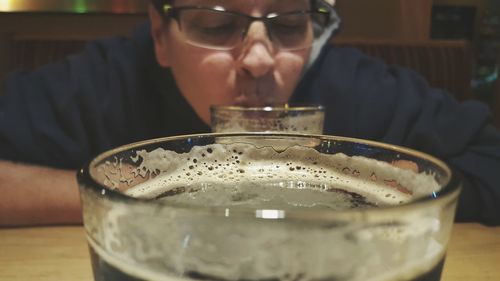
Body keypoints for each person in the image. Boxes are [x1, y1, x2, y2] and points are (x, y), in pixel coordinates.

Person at [0, 0, 499, 226]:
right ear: (160, 34)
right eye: (216, 25)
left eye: (288, 25)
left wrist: (369, 190)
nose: (261, 58)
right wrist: (146, 195)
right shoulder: (99, 82)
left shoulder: (355, 83)